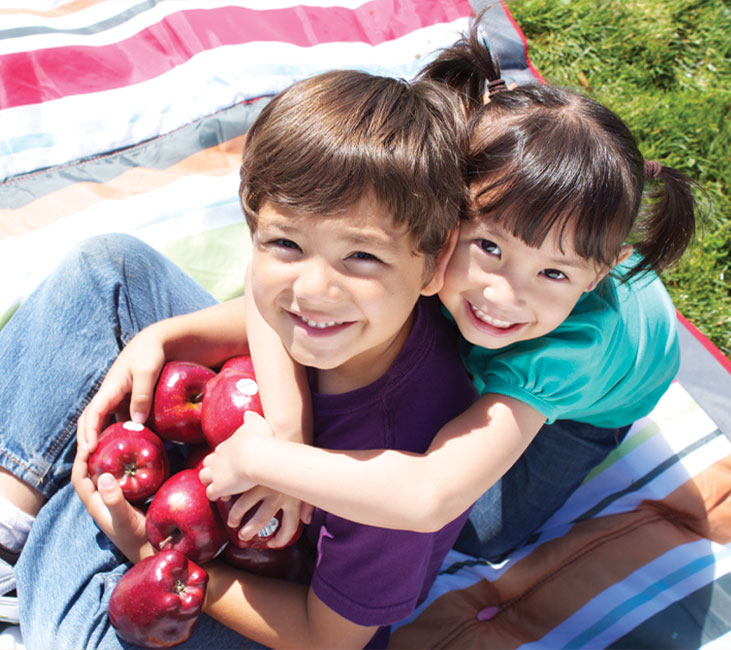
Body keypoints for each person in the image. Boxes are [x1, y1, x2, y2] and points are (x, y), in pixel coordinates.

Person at [0, 68, 477, 648]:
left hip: (273, 589)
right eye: (286, 244)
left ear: (433, 264)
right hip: (216, 477)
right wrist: (169, 338)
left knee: (84, 565)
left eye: (360, 257)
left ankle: (50, 562)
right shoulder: (354, 312)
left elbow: (325, 639)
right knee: (110, 271)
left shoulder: (393, 466)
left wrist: (151, 554)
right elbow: (263, 296)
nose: (313, 290)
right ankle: (8, 523)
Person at [200, 21, 700, 563]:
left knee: (479, 530)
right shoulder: (425, 241)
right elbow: (270, 280)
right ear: (451, 210)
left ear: (597, 276)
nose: (502, 294)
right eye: (489, 248)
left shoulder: (566, 355)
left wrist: (263, 462)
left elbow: (431, 496)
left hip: (592, 403)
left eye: (554, 273)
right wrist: (289, 435)